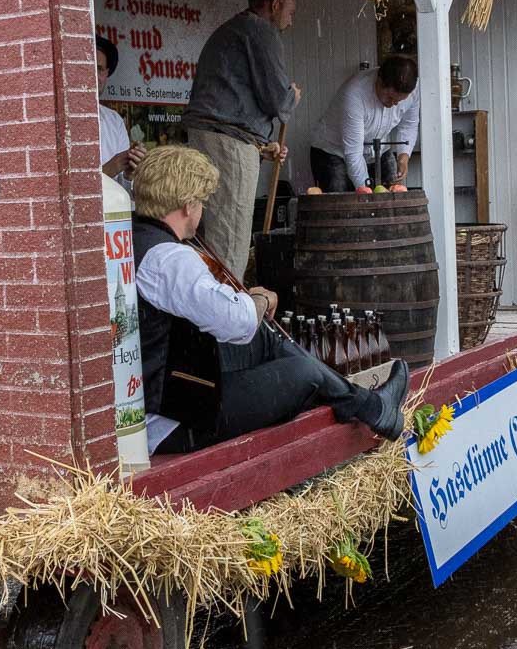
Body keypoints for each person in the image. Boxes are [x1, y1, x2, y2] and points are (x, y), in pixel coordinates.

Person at [130, 145, 409, 454]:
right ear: (187, 205)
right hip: (174, 420)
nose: (202, 210)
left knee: (263, 338)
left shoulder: (135, 239)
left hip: (173, 385)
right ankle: (371, 407)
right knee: (302, 373)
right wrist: (259, 300)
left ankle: (371, 407)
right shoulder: (169, 259)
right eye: (202, 202)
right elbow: (236, 320)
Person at [182, 0, 301, 278]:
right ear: (275, 5)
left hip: (209, 137)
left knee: (209, 230)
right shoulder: (261, 31)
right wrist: (293, 96)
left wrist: (261, 145)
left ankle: (211, 296)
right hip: (228, 141)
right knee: (230, 236)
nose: (290, 22)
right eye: (290, 12)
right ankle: (227, 302)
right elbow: (277, 101)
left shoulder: (232, 30)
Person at [308, 56, 421, 191]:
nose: (394, 104)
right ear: (379, 81)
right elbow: (353, 153)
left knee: (392, 196)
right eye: (390, 97)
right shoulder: (354, 94)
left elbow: (409, 124)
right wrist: (366, 192)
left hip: (378, 149)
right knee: (342, 200)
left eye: (400, 100)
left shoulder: (414, 89)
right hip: (333, 151)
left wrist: (403, 157)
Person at [96, 36, 144, 185]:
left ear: (106, 74)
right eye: (88, 68)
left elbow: (124, 188)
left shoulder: (114, 120)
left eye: (99, 69)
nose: (94, 75)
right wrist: (108, 170)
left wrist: (129, 173)